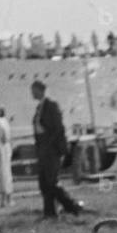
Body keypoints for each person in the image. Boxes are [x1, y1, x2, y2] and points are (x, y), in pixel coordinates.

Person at [31, 80, 83, 219]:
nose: (32, 93)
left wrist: (50, 145)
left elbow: (58, 128)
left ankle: (72, 205)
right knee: (44, 183)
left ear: (40, 90)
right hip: (43, 149)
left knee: (51, 182)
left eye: (33, 90)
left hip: (51, 150)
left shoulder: (51, 106)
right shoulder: (39, 107)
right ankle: (49, 212)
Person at [0, 105, 13, 206]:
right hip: (4, 149)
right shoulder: (4, 122)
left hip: (0, 149)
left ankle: (1, 200)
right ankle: (7, 199)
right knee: (6, 174)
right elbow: (6, 138)